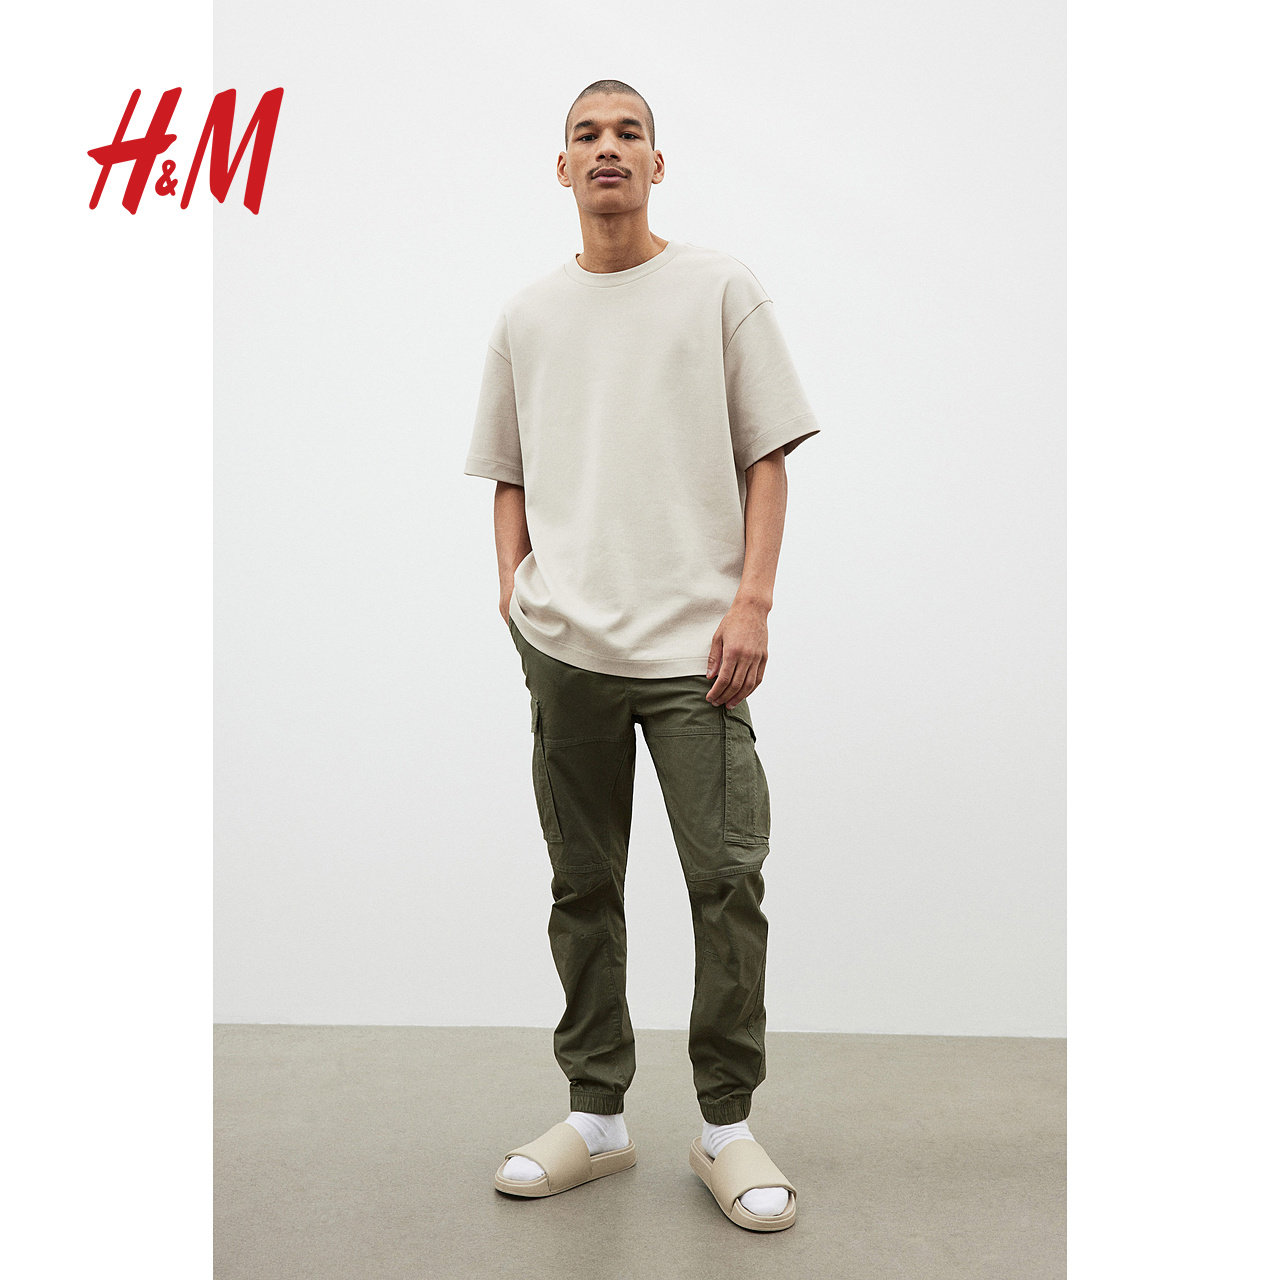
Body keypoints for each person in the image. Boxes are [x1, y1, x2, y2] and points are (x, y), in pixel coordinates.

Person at [463, 79, 819, 1232]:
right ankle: (597, 1115)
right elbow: (506, 470)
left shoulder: (717, 288)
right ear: (561, 167)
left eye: (628, 133)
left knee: (724, 878)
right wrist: (516, 592)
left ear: (656, 164)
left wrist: (751, 599)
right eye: (586, 134)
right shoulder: (527, 315)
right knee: (582, 883)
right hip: (565, 645)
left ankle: (724, 1125)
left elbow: (767, 452)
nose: (607, 147)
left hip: (693, 648)